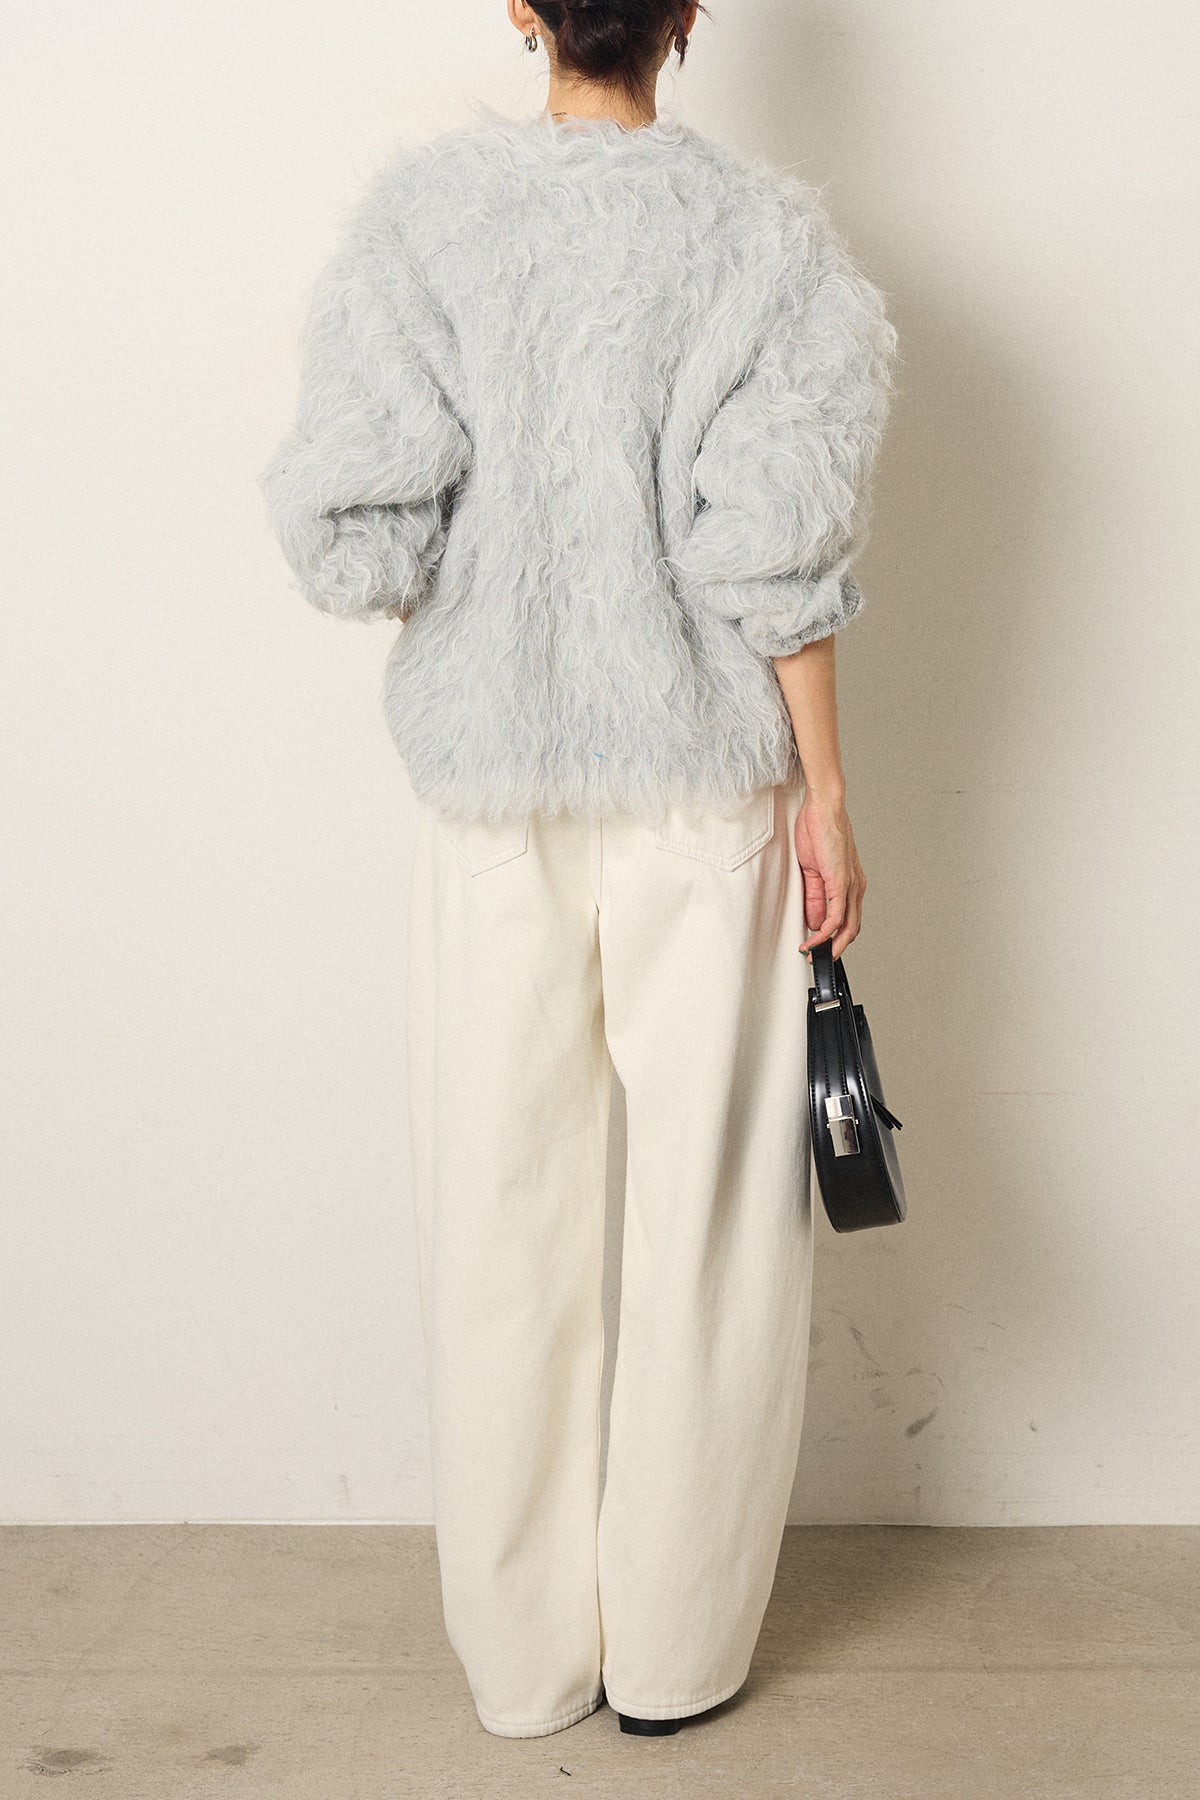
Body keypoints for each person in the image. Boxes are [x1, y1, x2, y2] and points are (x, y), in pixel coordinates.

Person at [258, 0, 898, 1743]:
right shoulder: (770, 247)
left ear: (523, 12)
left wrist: (500, 569)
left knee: (499, 1213)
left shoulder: (420, 230)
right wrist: (827, 791)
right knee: (712, 1229)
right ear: (686, 19)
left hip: (495, 797)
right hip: (706, 791)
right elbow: (777, 548)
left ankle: (522, 1662)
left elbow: (355, 533)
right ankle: (675, 1661)